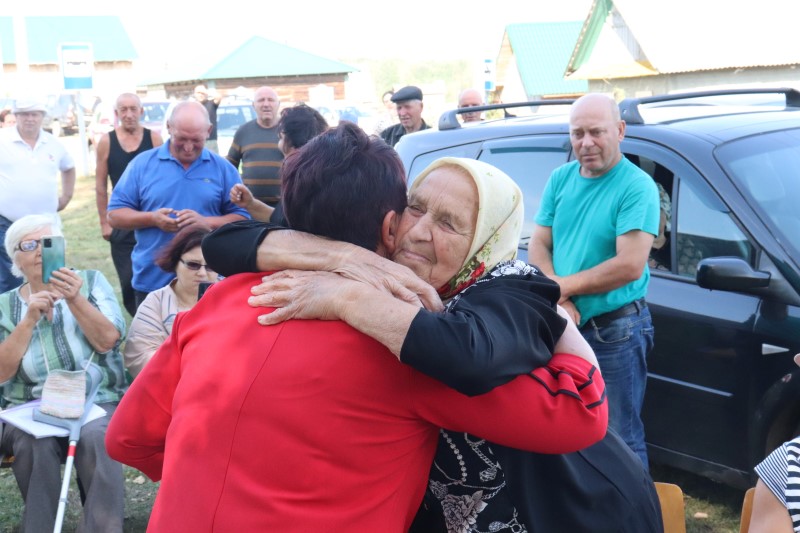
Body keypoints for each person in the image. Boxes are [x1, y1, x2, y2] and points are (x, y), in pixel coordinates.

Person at [106, 123, 607, 532]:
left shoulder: (218, 302)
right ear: (390, 226)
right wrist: (557, 316)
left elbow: (126, 438)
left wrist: (213, 478)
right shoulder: (405, 340)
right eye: (414, 209)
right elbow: (579, 414)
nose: (419, 231)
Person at [204, 157, 663, 532]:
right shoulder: (388, 261)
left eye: (449, 223)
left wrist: (346, 296)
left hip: (576, 507)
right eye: (416, 208)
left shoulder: (513, 286)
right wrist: (341, 256)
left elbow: (467, 356)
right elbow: (223, 243)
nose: (420, 231)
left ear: (485, 239)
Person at [530, 93, 661, 467]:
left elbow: (629, 265)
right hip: (563, 324)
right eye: (578, 133)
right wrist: (559, 297)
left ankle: (635, 506)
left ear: (620, 131)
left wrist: (559, 290)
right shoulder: (561, 178)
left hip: (615, 330)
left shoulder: (636, 186)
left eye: (596, 132)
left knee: (619, 438)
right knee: (569, 434)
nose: (586, 143)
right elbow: (539, 242)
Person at [0, 213, 127, 532]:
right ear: (15, 258)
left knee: (97, 436)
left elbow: (108, 341)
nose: (39, 251)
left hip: (95, 400)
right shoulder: (4, 306)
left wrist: (74, 299)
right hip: (30, 407)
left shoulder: (91, 282)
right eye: (28, 245)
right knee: (34, 442)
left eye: (48, 242)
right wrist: (28, 321)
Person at [106, 100, 248, 310]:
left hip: (207, 283)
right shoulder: (142, 165)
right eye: (181, 139)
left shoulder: (223, 169)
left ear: (208, 131)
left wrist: (205, 222)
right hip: (153, 280)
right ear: (169, 128)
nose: (188, 147)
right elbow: (115, 215)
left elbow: (243, 219)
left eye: (196, 140)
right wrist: (152, 219)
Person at [95, 92, 164, 317]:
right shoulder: (107, 141)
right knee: (127, 281)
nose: (129, 114)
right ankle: (139, 319)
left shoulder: (154, 139)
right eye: (123, 109)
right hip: (121, 219)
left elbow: (164, 178)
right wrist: (104, 222)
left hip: (151, 221)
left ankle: (155, 322)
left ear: (141, 111)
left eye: (133, 109)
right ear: (117, 113)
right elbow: (100, 185)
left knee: (155, 278)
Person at [0, 99, 76, 294]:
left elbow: (68, 167)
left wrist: (66, 197)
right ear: (16, 116)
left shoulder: (53, 143)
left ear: (42, 116)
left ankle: (51, 311)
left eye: (35, 114)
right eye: (24, 114)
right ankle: (14, 313)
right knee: (10, 281)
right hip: (7, 224)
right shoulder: (2, 140)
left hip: (47, 226)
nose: (30, 119)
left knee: (53, 276)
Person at [123, 225, 217, 378]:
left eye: (211, 266)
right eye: (193, 265)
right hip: (171, 386)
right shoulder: (156, 302)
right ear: (175, 263)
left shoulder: (232, 299)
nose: (202, 273)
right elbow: (138, 358)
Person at [230, 103, 327, 222]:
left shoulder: (303, 181)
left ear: (293, 144)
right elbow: (283, 220)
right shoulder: (322, 170)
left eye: (280, 138)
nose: (278, 144)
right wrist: (250, 204)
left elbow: (291, 226)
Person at [226, 86, 284, 208]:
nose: (266, 104)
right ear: (253, 105)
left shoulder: (288, 131)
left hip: (284, 207)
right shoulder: (243, 131)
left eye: (271, 100)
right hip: (250, 206)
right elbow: (229, 167)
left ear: (278, 104)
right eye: (261, 100)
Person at [193, 84, 221, 153]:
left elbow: (218, 97)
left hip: (210, 140)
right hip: (195, 140)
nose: (200, 95)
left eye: (202, 93)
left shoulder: (212, 104)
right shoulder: (192, 106)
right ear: (194, 94)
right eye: (198, 93)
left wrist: (208, 91)